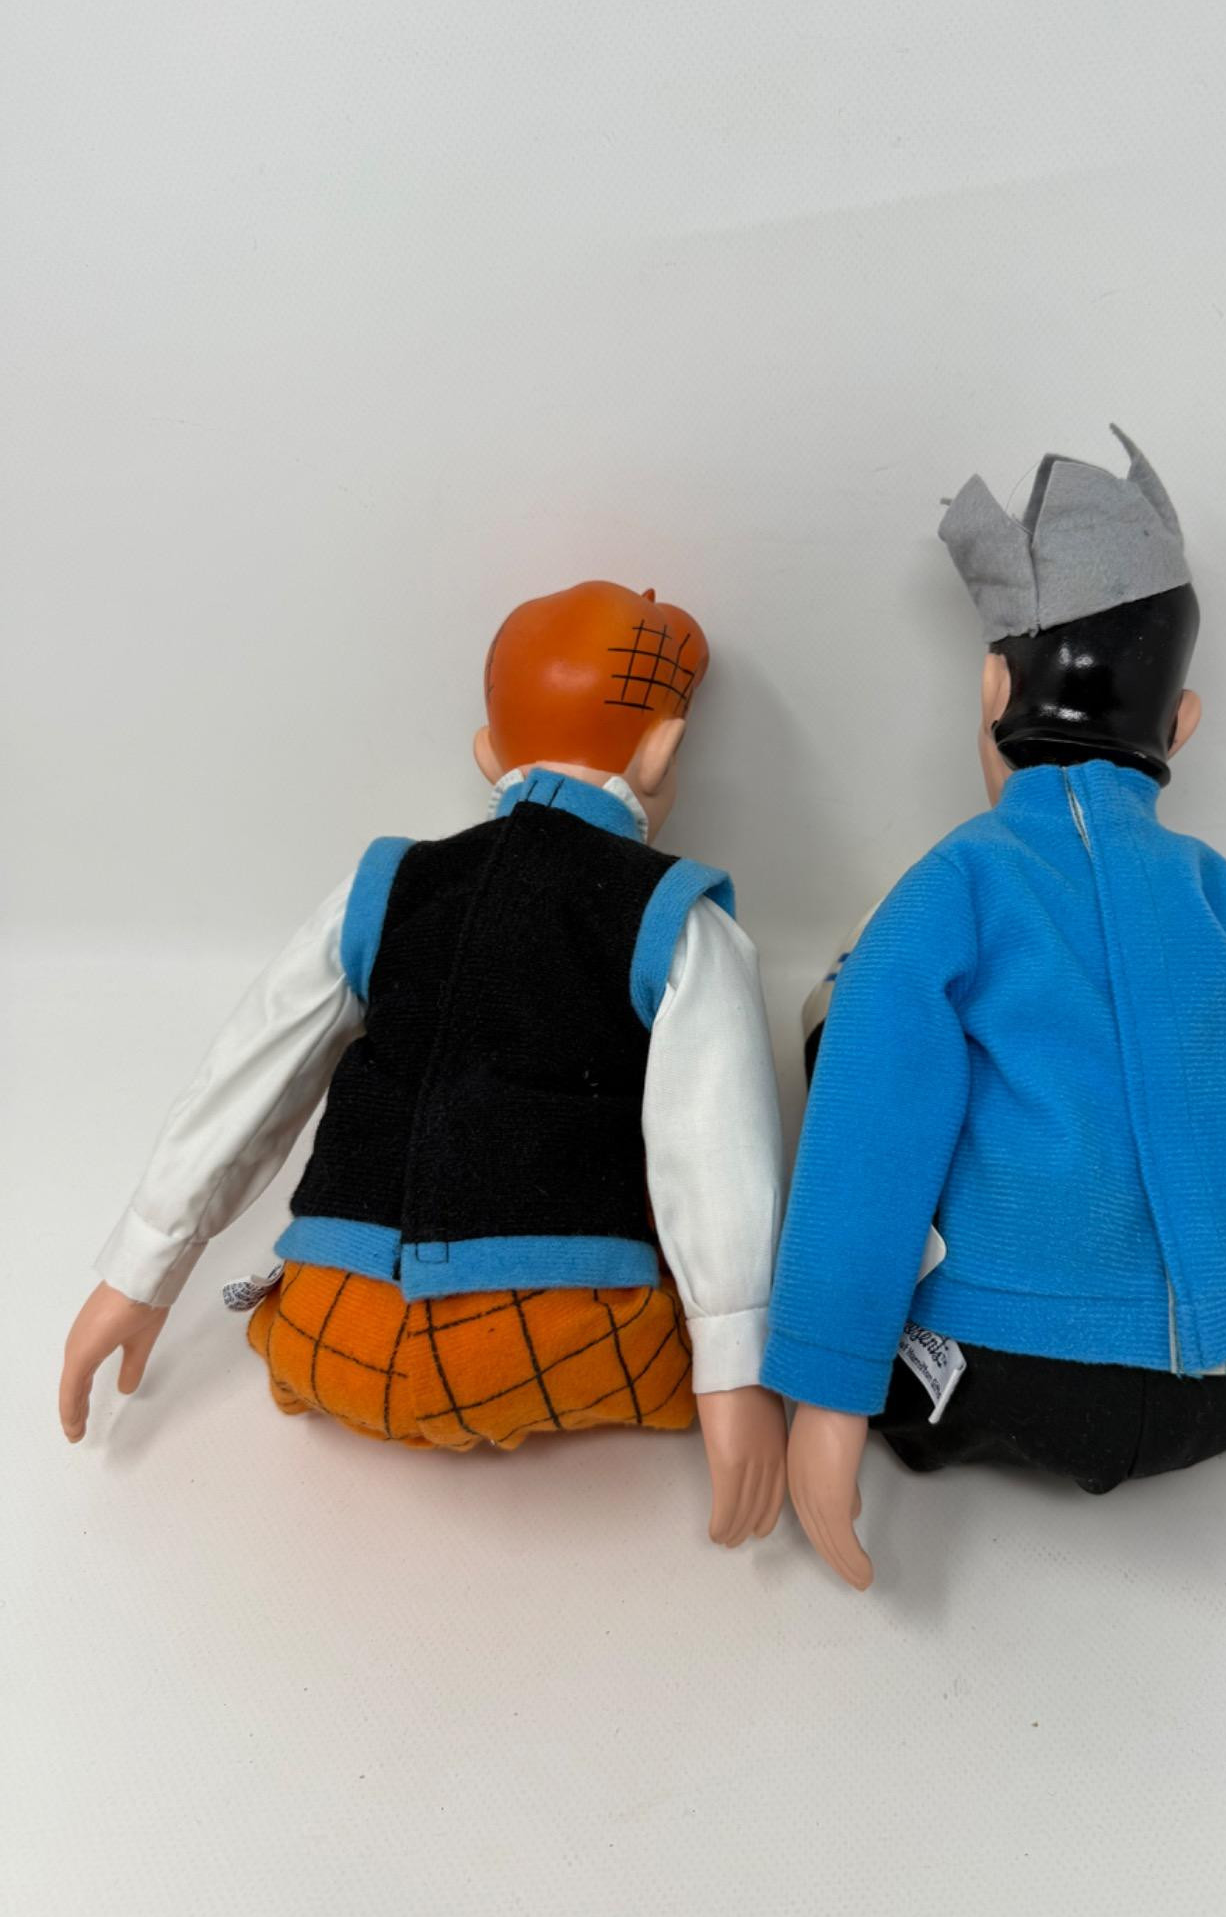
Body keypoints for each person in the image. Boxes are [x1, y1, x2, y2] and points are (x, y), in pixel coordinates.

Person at [763, 430, 1226, 1587]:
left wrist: (824, 1394)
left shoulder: (953, 883)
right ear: (1179, 725)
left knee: (844, 1023)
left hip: (996, 1366)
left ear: (992, 692)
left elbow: (868, 1138)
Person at [60, 580, 788, 1548]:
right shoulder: (675, 916)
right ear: (662, 750)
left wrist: (140, 1271)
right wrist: (735, 1368)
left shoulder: (383, 883)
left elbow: (247, 1079)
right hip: (556, 1332)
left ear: (488, 754)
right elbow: (714, 1148)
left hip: (327, 1328)